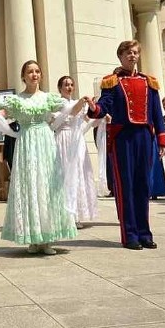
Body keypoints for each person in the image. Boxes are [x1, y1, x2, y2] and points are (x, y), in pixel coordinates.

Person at [0, 60, 77, 254]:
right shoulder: (16, 100)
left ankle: (47, 239)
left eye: (37, 71)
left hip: (45, 144)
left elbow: (69, 109)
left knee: (46, 187)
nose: (34, 75)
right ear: (23, 76)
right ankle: (33, 238)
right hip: (26, 145)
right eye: (30, 72)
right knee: (29, 186)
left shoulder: (48, 98)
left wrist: (83, 102)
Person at [88, 40, 165, 250]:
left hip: (144, 137)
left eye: (135, 53)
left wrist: (161, 138)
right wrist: (94, 108)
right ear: (120, 56)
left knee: (143, 185)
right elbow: (104, 106)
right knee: (126, 187)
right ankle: (130, 234)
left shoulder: (149, 82)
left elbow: (157, 113)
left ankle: (144, 233)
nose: (132, 56)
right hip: (123, 138)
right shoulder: (111, 82)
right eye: (127, 53)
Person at [52, 75, 99, 228]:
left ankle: (76, 214)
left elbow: (89, 120)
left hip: (77, 141)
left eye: (71, 84)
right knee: (64, 174)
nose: (69, 87)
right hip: (63, 139)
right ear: (60, 88)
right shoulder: (57, 103)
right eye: (66, 84)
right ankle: (64, 215)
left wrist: (102, 117)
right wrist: (81, 103)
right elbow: (69, 113)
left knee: (79, 174)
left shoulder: (78, 103)